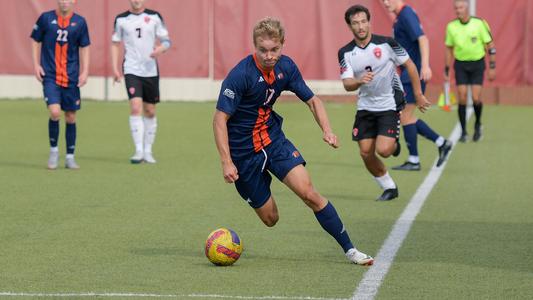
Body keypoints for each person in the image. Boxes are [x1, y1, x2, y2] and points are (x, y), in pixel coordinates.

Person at [213, 17, 373, 265]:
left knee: (310, 194)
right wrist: (226, 162)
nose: (269, 56)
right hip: (243, 153)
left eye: (274, 50)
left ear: (282, 45)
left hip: (273, 141)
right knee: (270, 219)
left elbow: (312, 100)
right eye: (263, 50)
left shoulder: (286, 67)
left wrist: (327, 130)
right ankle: (259, 183)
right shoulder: (240, 75)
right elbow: (219, 120)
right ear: (254, 46)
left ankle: (351, 250)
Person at [338, 5, 430, 200]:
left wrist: (419, 94)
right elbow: (347, 84)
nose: (360, 26)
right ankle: (389, 186)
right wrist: (358, 80)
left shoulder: (388, 44)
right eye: (355, 23)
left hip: (389, 105)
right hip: (365, 108)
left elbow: (410, 65)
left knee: (384, 150)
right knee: (365, 152)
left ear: (369, 22)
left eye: (363, 21)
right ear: (349, 26)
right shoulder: (345, 53)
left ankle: (393, 145)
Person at [382, 0, 453, 171]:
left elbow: (423, 39)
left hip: (413, 74)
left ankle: (417, 158)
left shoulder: (406, 14)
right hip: (407, 73)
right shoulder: (401, 17)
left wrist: (425, 65)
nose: (385, 3)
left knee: (405, 115)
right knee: (406, 116)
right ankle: (439, 144)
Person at [31, 0, 90, 170]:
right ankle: (54, 151)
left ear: (74, 1)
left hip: (71, 77)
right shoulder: (45, 18)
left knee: (71, 116)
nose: (64, 2)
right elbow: (35, 40)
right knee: (55, 112)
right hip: (50, 75)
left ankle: (70, 157)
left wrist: (85, 71)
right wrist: (36, 64)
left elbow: (85, 46)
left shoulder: (80, 22)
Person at [111, 0, 171, 163]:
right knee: (136, 107)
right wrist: (115, 68)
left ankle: (148, 151)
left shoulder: (154, 17)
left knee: (150, 110)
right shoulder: (121, 19)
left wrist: (161, 48)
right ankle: (138, 151)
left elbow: (167, 41)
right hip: (131, 69)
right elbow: (115, 44)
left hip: (150, 70)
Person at [445, 0, 496, 142]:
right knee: (461, 96)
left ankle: (478, 124)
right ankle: (463, 131)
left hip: (477, 64)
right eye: (456, 8)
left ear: (467, 8)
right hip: (460, 64)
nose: (458, 10)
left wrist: (492, 66)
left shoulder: (479, 23)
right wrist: (447, 68)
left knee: (475, 98)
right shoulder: (451, 27)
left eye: (461, 7)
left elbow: (490, 45)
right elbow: (449, 48)